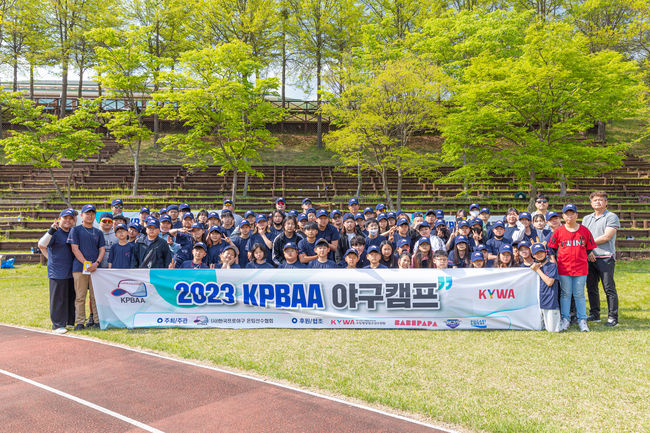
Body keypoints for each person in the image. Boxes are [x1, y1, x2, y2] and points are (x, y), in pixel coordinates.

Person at [547, 204, 596, 332]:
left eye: (572, 213)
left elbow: (589, 248)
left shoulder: (584, 231)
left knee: (579, 294)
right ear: (563, 216)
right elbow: (550, 248)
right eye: (567, 214)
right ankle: (565, 319)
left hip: (580, 268)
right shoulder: (558, 231)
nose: (569, 216)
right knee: (565, 294)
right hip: (564, 268)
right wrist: (553, 262)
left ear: (576, 215)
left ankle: (582, 320)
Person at [582, 191, 620, 326]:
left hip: (605, 257)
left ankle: (612, 317)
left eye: (601, 200)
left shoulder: (611, 217)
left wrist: (588, 245)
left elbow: (606, 237)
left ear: (606, 202)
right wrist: (588, 250)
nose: (598, 202)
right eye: (595, 200)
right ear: (591, 203)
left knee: (608, 287)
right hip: (590, 256)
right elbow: (583, 237)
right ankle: (595, 314)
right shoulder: (587, 219)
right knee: (591, 287)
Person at [38, 208, 76, 334]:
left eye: (70, 218)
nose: (68, 221)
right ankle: (57, 324)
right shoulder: (55, 232)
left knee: (71, 297)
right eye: (65, 218)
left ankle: (70, 321)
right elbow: (41, 245)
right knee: (58, 298)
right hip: (58, 272)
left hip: (72, 270)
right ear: (59, 219)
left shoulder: (73, 232)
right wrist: (51, 259)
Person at [67, 204, 105, 330]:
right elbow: (74, 248)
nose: (90, 216)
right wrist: (86, 263)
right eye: (87, 213)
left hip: (95, 269)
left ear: (95, 216)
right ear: (82, 215)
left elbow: (102, 249)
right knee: (80, 296)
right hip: (79, 268)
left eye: (92, 213)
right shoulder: (75, 230)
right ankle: (80, 322)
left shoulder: (98, 232)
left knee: (95, 296)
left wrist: (96, 263)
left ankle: (97, 320)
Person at [530, 243, 561, 332]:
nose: (539, 254)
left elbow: (549, 282)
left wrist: (537, 270)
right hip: (537, 302)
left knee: (552, 330)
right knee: (537, 328)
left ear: (545, 253)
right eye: (536, 253)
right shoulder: (533, 267)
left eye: (541, 252)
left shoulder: (551, 266)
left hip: (550, 301)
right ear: (533, 255)